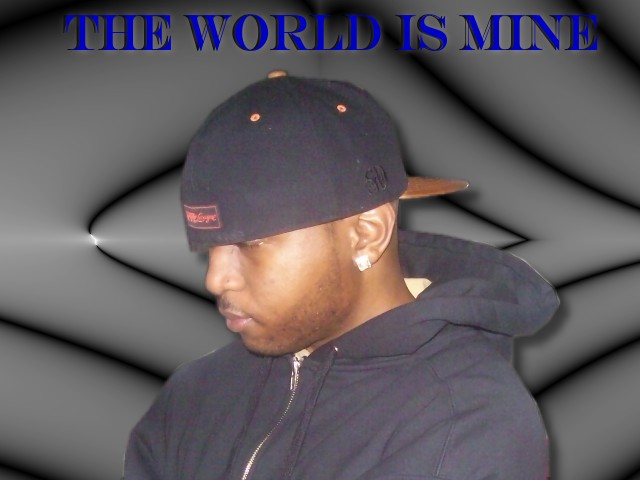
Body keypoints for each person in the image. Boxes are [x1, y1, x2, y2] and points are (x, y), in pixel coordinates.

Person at [124, 70, 558, 479]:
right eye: (209, 246)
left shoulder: (466, 424)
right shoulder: (196, 394)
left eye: (251, 244)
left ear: (366, 234)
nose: (216, 279)